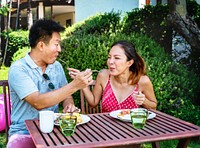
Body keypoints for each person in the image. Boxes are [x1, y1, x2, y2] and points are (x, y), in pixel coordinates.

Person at [7, 19, 93, 148]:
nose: (60, 49)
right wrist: (75, 85)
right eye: (56, 44)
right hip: (24, 131)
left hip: (53, 129)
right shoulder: (19, 69)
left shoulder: (56, 66)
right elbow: (38, 102)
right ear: (41, 45)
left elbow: (66, 95)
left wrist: (69, 106)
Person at [68, 40, 157, 113]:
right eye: (109, 57)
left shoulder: (142, 81)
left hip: (132, 131)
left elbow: (153, 107)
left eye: (117, 58)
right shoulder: (103, 76)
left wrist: (144, 101)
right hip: (106, 130)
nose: (110, 62)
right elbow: (93, 103)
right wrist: (82, 83)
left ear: (129, 63)